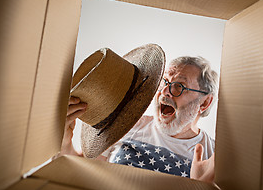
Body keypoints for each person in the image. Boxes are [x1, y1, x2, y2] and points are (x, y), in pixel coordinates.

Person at [61, 56, 218, 183]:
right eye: (165, 82)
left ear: (204, 102)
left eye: (179, 86)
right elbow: (81, 176)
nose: (165, 91)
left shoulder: (214, 158)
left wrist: (202, 188)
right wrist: (64, 142)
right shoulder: (126, 124)